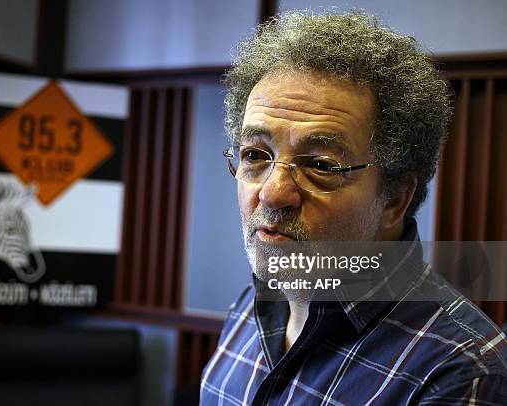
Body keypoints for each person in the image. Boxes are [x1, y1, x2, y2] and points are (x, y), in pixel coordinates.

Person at [200, 10, 507, 405]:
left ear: (395, 198)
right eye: (255, 154)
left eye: (321, 165)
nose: (273, 193)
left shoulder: (460, 371)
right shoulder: (250, 306)